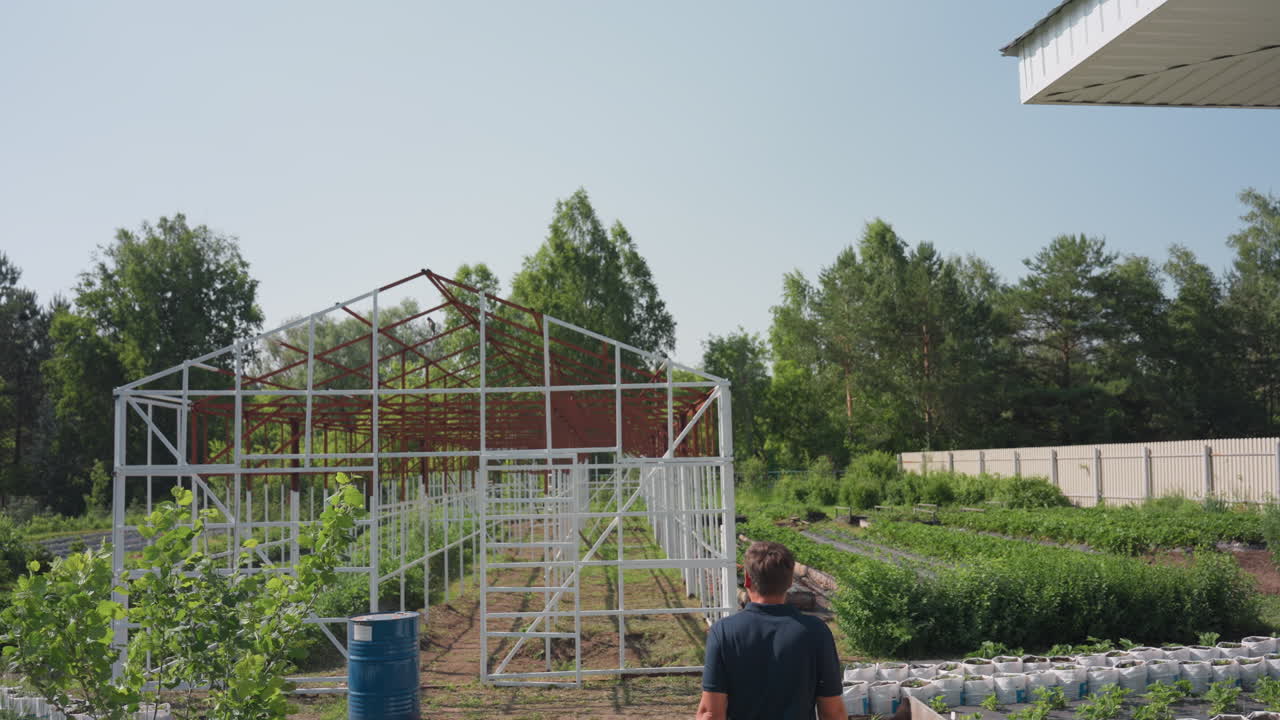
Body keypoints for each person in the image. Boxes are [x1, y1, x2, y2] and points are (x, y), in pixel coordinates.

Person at [696, 540, 845, 720]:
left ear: (748, 579)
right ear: (790, 581)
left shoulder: (724, 632)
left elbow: (710, 713)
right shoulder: (816, 632)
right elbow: (832, 711)